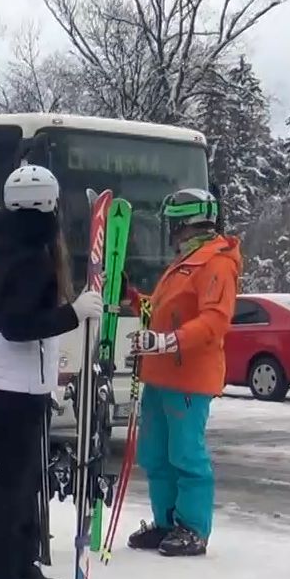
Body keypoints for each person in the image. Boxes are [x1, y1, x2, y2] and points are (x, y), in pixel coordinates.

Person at [0, 166, 101, 579]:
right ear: (50, 203)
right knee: (13, 482)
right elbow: (17, 325)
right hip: (16, 384)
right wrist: (73, 314)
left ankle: (22, 563)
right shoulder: (31, 257)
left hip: (16, 379)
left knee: (24, 480)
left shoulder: (6, 248)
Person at [119, 188, 241, 558]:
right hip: (159, 375)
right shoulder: (185, 262)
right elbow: (161, 312)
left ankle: (193, 528)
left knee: (186, 454)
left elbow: (214, 321)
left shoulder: (216, 263)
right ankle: (167, 521)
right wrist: (132, 298)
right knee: (155, 454)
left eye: (173, 224)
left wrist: (167, 342)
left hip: (189, 377)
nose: (170, 232)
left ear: (187, 223)